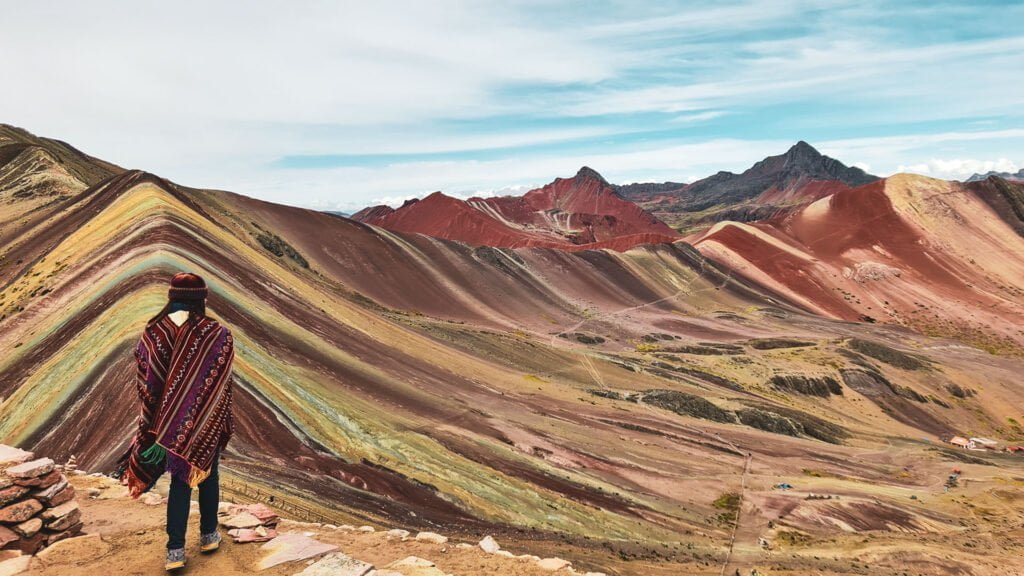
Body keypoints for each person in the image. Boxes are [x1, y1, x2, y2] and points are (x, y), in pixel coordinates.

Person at [118, 272, 235, 571]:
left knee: (179, 484)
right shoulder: (216, 333)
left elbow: (145, 381)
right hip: (203, 423)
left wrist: (158, 419)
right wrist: (213, 417)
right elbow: (222, 384)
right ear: (202, 298)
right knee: (208, 475)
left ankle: (175, 551)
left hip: (164, 426)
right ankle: (209, 536)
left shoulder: (153, 332)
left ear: (172, 297)